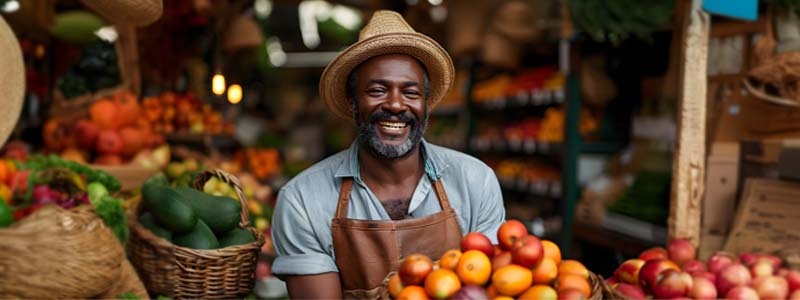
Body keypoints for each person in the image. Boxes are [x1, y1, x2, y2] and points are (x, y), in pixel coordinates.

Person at [271, 10, 506, 299]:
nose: (396, 104)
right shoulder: (303, 200)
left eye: (411, 93)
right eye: (378, 90)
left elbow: (495, 286)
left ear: (425, 104)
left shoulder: (475, 181)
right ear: (352, 100)